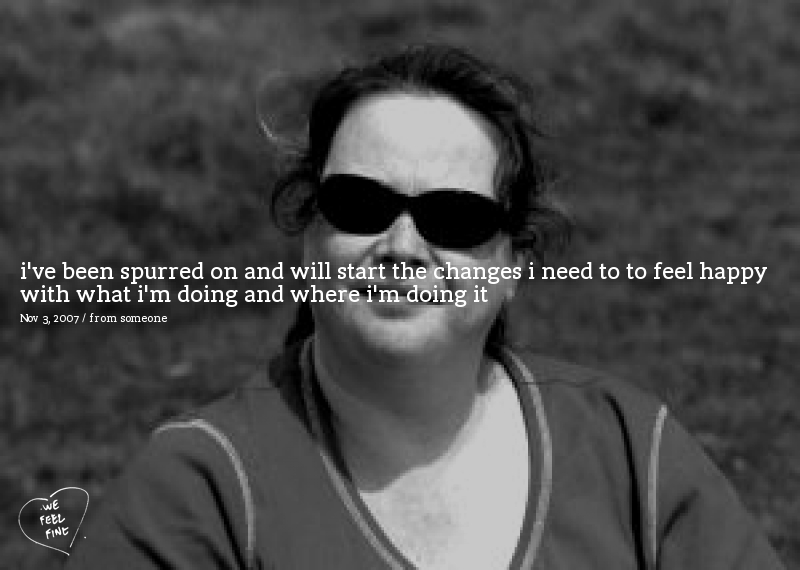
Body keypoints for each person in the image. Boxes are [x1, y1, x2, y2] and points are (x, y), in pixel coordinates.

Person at [67, 44, 785, 569]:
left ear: (513, 265)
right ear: (310, 236)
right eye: (361, 204)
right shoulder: (200, 491)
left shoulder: (633, 456)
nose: (403, 247)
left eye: (455, 218)